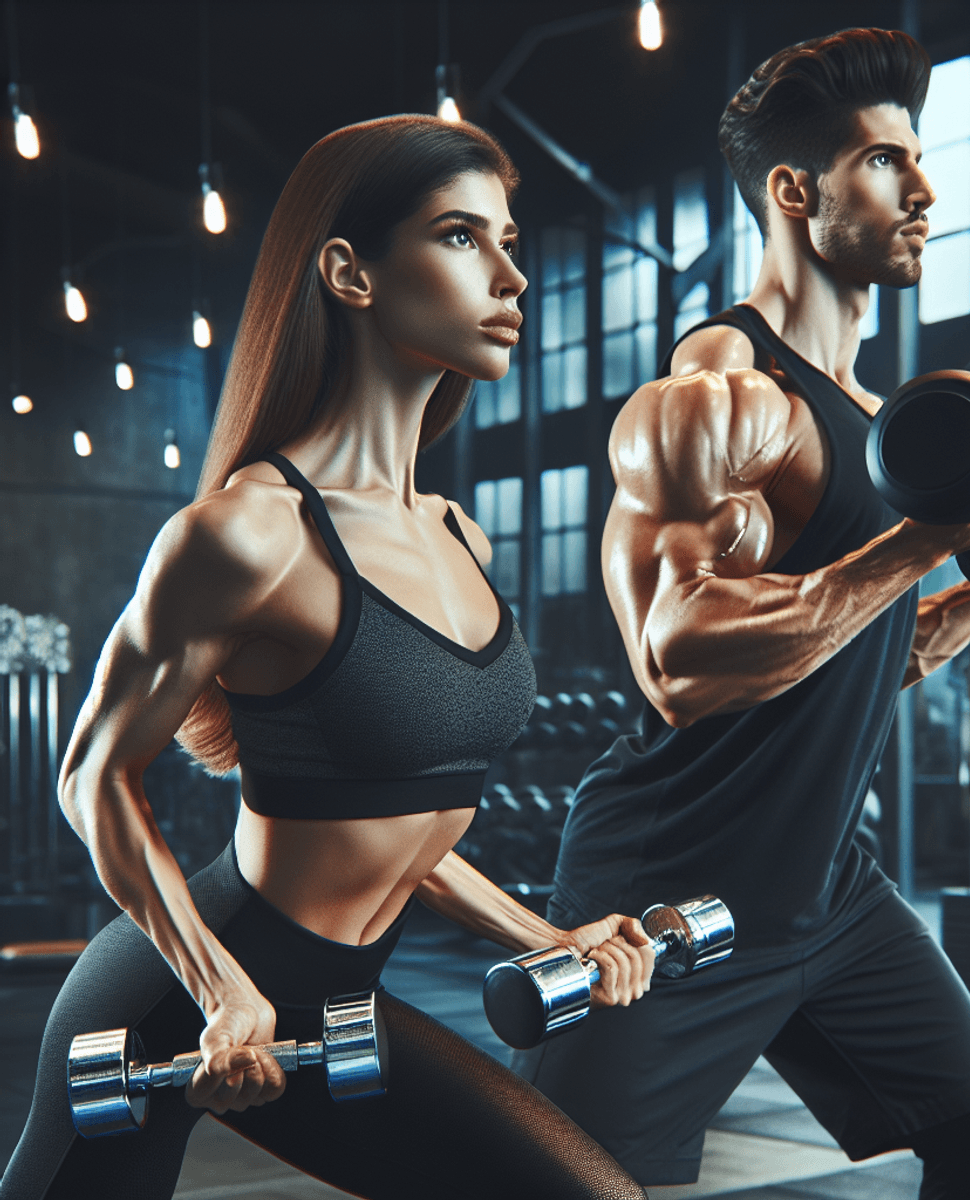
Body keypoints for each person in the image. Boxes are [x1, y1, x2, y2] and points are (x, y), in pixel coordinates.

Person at [0, 115, 654, 1200]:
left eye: (508, 239)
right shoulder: (249, 534)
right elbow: (91, 775)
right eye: (460, 238)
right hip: (171, 1003)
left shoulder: (459, 538)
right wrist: (218, 989)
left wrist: (549, 934)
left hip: (336, 1004)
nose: (512, 276)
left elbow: (394, 822)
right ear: (350, 271)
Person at [512, 28, 970, 1200]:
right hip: (669, 893)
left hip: (828, 892)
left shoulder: (867, 412)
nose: (928, 190)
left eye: (921, 160)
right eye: (889, 163)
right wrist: (924, 541)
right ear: (797, 192)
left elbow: (865, 654)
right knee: (574, 1186)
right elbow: (679, 660)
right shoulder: (720, 393)